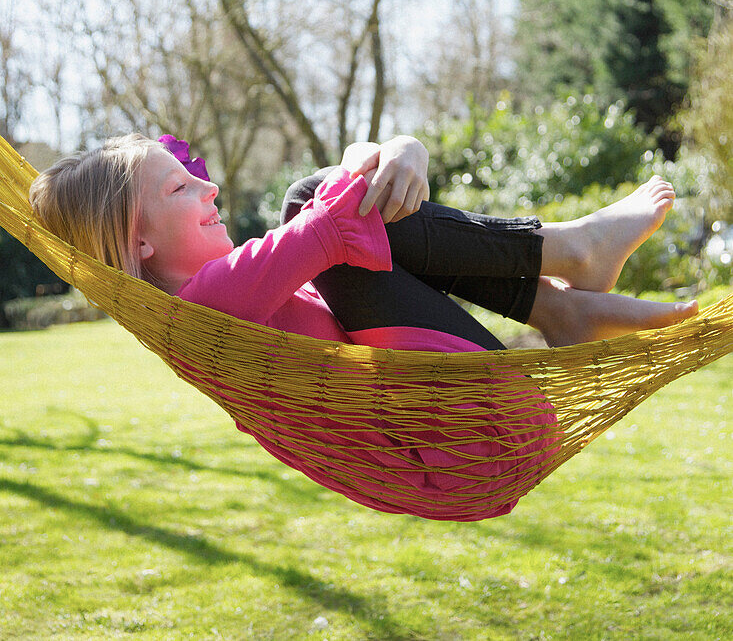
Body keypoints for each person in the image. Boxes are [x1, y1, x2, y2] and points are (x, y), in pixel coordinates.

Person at [28, 131, 698, 520]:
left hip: (466, 436)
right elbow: (330, 218)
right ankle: (568, 262)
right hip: (471, 443)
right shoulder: (206, 317)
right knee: (312, 204)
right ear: (135, 242)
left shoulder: (231, 305)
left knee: (323, 210)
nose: (208, 191)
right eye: (179, 189)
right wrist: (395, 149)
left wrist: (386, 154)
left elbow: (337, 218)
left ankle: (563, 306)